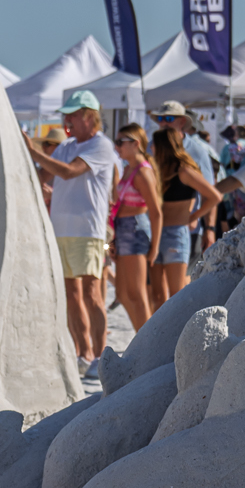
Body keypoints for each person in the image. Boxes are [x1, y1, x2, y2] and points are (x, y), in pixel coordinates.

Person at [26, 91, 118, 369]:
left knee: (91, 293)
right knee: (71, 294)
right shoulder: (66, 145)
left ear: (90, 116)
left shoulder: (101, 145)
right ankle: (84, 354)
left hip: (88, 230)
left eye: (74, 115)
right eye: (67, 115)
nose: (68, 120)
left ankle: (101, 357)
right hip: (60, 229)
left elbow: (68, 171)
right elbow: (43, 176)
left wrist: (32, 151)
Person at [147, 124, 219, 309]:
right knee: (156, 295)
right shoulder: (157, 170)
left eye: (155, 144)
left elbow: (214, 196)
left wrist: (194, 216)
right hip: (155, 233)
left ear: (164, 146)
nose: (151, 147)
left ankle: (177, 328)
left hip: (176, 234)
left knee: (176, 295)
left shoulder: (183, 171)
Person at [110, 125, 162, 333]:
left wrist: (155, 247)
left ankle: (147, 341)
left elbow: (156, 212)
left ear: (136, 144)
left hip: (134, 230)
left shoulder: (142, 172)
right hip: (124, 229)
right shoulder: (128, 169)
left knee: (137, 294)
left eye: (120, 142)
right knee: (123, 294)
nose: (117, 147)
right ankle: (142, 337)